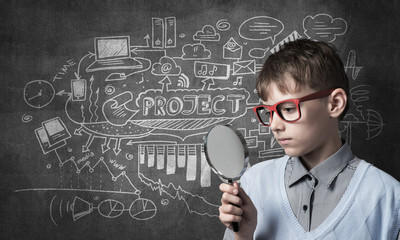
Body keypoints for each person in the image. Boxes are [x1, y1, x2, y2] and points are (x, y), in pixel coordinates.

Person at [219, 39, 400, 239]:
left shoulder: (387, 196)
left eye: (288, 109)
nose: (274, 125)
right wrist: (243, 235)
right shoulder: (254, 183)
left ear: (335, 104)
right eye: (268, 112)